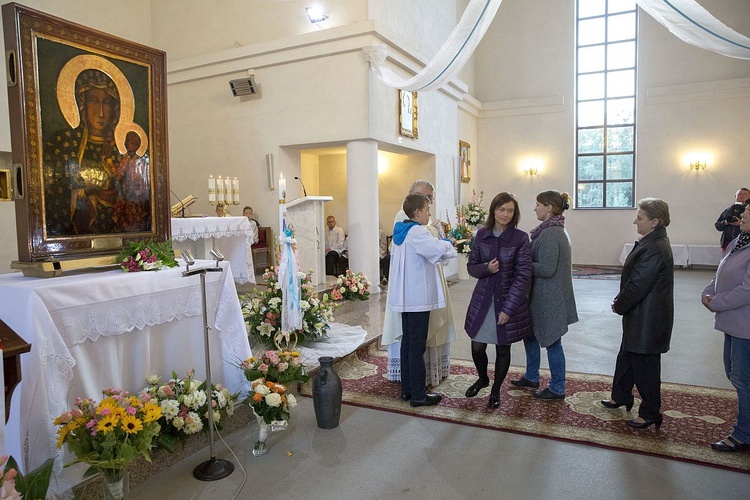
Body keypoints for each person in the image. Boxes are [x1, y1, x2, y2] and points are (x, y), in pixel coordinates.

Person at [603, 198, 673, 430]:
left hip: (648, 318)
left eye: (640, 218)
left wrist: (619, 304)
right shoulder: (652, 241)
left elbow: (638, 286)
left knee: (645, 366)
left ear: (654, 221)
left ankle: (651, 411)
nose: (635, 221)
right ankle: (621, 395)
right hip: (640, 315)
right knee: (626, 357)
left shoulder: (654, 247)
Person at [382, 180, 457, 389]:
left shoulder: (402, 229)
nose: (429, 214)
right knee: (416, 346)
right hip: (418, 299)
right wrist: (451, 246)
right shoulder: (416, 231)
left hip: (406, 297)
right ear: (416, 211)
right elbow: (437, 249)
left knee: (408, 344)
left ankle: (408, 389)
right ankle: (418, 395)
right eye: (427, 209)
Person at [464, 192, 532, 409]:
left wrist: (509, 310)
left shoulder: (520, 238)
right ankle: (483, 378)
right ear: (493, 210)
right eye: (501, 209)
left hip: (507, 302)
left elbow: (523, 277)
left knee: (503, 348)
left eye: (510, 210)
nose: (505, 214)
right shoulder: (482, 235)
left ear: (515, 213)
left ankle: (495, 389)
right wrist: (486, 268)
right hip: (483, 300)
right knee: (477, 346)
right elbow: (471, 267)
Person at [512, 191, 578, 400]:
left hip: (550, 298)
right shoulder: (550, 229)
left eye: (538, 204)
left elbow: (548, 269)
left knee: (552, 342)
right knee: (530, 335)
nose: (535, 208)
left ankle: (557, 387)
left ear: (549, 207)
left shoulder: (552, 233)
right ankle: (532, 376)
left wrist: (521, 264)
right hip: (542, 296)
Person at [43, 69, 124, 236]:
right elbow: (52, 194)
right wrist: (87, 192)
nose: (100, 112)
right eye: (93, 101)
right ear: (82, 104)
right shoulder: (64, 142)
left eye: (107, 103)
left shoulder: (120, 149)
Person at [702, 204, 750, 452]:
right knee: (734, 374)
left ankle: (743, 434)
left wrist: (717, 302)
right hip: (733, 323)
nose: (742, 215)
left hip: (745, 326)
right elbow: (720, 272)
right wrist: (708, 292)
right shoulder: (740, 241)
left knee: (743, 379)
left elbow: (747, 290)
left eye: (748, 212)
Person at [114, 130, 151, 232]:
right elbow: (118, 175)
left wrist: (137, 192)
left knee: (135, 222)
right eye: (126, 141)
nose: (126, 144)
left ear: (136, 144)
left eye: (129, 142)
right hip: (125, 197)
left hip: (136, 199)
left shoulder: (142, 163)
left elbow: (145, 182)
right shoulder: (125, 160)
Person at [715, 188, 750, 254]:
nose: (742, 196)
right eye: (739, 194)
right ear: (735, 197)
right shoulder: (728, 211)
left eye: (745, 194)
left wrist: (741, 223)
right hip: (727, 243)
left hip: (745, 244)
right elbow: (717, 225)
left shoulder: (748, 211)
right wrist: (726, 222)